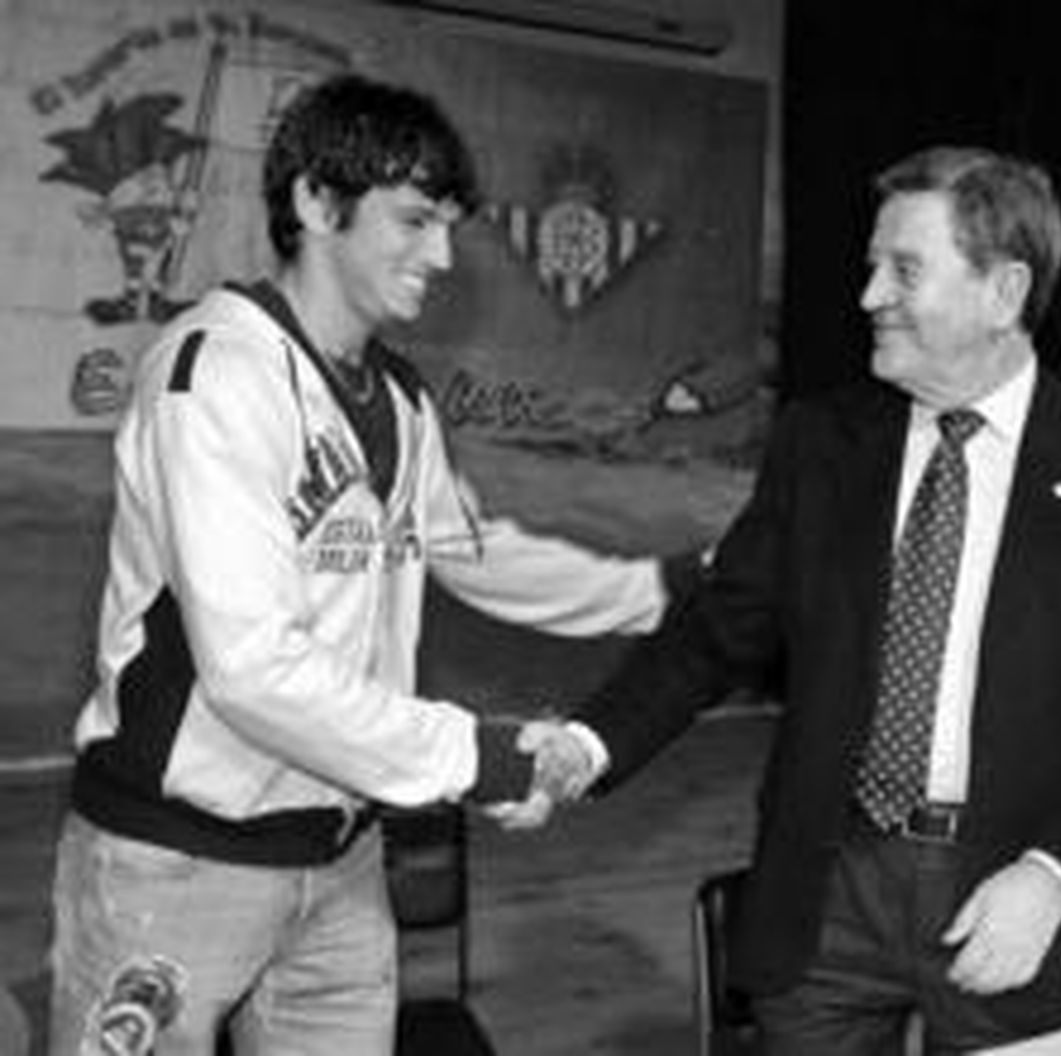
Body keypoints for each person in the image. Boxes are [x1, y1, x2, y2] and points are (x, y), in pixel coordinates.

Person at [48, 74, 688, 1056]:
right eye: (416, 220)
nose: (441, 255)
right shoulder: (214, 374)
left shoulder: (398, 396)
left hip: (342, 861)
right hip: (175, 867)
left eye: (448, 225)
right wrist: (477, 753)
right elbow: (252, 669)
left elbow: (475, 556)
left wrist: (657, 593)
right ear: (314, 200)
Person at [518, 145, 1061, 1052]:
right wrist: (586, 744)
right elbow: (720, 632)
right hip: (828, 891)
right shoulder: (822, 441)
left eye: (904, 270)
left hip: (1015, 901)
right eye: (872, 265)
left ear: (1004, 292)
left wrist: (1053, 876)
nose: (869, 296)